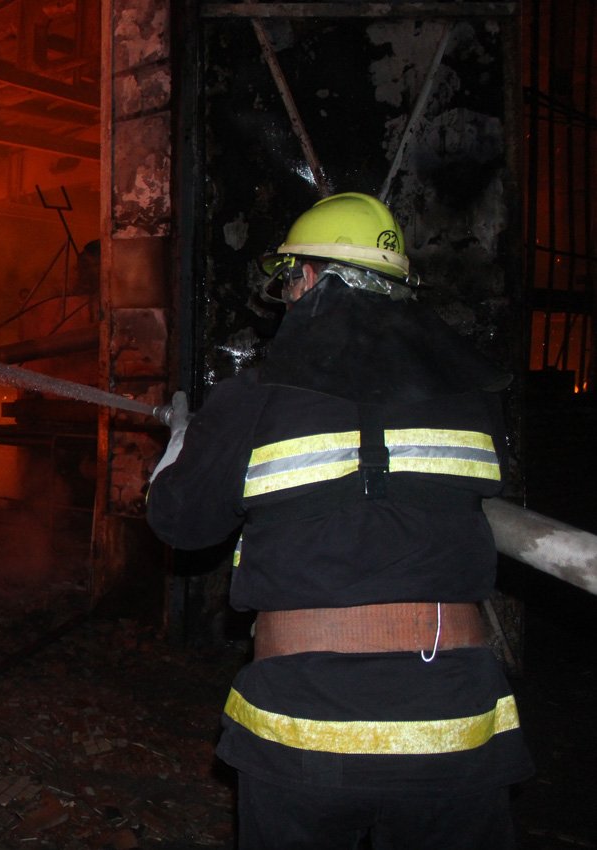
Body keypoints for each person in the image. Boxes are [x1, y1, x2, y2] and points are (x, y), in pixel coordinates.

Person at [146, 192, 533, 849]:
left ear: (308, 279)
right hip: (457, 723)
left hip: (304, 731)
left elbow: (180, 523)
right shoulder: (473, 399)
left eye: (290, 281)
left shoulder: (255, 396)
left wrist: (181, 448)